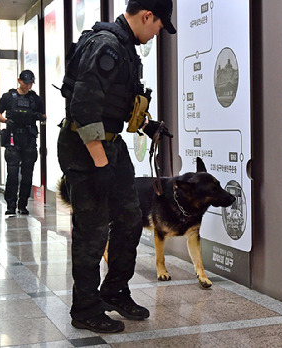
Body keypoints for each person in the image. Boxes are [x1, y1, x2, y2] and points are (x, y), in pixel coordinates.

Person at [57, 0, 176, 334]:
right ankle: (85, 309)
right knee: (92, 231)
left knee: (130, 217)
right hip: (85, 146)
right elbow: (83, 107)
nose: (156, 34)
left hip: (110, 143)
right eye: (158, 27)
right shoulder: (106, 46)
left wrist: (146, 125)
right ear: (147, 15)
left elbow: (116, 103)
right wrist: (100, 164)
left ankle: (114, 290)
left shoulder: (125, 47)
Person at [0, 70, 46, 215]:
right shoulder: (8, 97)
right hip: (13, 138)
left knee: (27, 174)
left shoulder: (35, 99)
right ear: (19, 80)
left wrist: (39, 117)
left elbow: (43, 116)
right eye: (26, 82)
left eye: (30, 83)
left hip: (29, 140)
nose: (28, 85)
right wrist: (5, 121)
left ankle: (22, 204)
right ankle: (10, 205)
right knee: (12, 173)